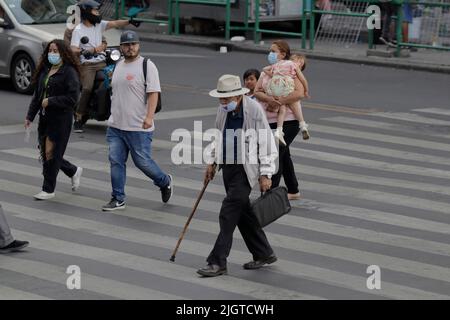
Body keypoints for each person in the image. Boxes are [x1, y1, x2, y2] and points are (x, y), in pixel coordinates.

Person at [197, 74, 279, 277]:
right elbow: (219, 135)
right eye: (221, 99)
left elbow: (266, 143)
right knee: (242, 213)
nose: (224, 103)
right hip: (229, 166)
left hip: (246, 169)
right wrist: (213, 162)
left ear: (238, 96)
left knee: (229, 211)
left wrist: (266, 173)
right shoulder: (223, 110)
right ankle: (264, 252)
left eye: (227, 99)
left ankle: (217, 262)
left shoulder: (254, 110)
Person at [102, 30, 173, 211]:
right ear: (121, 47)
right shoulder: (117, 66)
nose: (130, 48)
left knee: (143, 163)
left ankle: (164, 181)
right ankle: (118, 198)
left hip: (138, 126)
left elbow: (153, 93)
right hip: (116, 126)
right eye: (126, 45)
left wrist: (149, 117)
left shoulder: (147, 66)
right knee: (116, 161)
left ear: (138, 45)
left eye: (133, 44)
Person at [25, 39, 83, 200]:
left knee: (51, 153)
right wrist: (29, 116)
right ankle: (73, 170)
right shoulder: (45, 70)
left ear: (63, 53)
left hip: (61, 119)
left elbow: (73, 98)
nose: (52, 54)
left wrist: (51, 101)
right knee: (46, 153)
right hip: (45, 118)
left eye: (56, 51)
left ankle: (48, 189)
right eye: (50, 50)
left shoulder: (69, 72)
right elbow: (37, 96)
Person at [71, 0, 140, 133]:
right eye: (95, 10)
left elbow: (114, 23)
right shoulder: (78, 30)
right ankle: (78, 117)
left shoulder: (98, 25)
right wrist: (83, 51)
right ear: (86, 12)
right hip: (88, 65)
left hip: (103, 63)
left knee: (119, 81)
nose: (98, 13)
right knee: (87, 88)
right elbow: (73, 48)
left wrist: (129, 21)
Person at [254, 40, 305, 201]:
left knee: (275, 154)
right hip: (268, 120)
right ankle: (293, 189)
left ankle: (271, 191)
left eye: (273, 51)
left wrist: (279, 102)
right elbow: (257, 91)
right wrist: (269, 99)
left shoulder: (291, 70)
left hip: (288, 121)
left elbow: (299, 93)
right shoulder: (267, 71)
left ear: (283, 54)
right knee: (284, 154)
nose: (270, 54)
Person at [262, 52, 310, 144]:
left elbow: (265, 69)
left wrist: (273, 76)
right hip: (287, 88)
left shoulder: (279, 65)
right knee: (295, 103)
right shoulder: (294, 69)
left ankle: (279, 131)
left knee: (282, 109)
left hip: (275, 87)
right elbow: (303, 80)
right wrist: (306, 91)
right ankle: (302, 124)